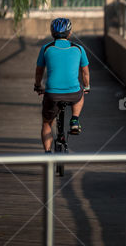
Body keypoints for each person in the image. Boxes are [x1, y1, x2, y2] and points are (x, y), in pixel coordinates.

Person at [34, 18, 89, 152]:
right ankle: (75, 120)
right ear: (69, 33)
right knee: (81, 91)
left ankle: (47, 153)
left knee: (47, 123)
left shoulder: (46, 48)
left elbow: (39, 72)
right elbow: (85, 72)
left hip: (52, 93)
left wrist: (38, 86)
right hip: (73, 93)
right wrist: (87, 87)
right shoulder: (79, 48)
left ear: (52, 33)